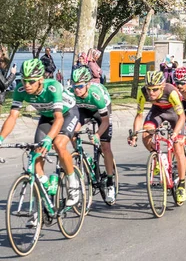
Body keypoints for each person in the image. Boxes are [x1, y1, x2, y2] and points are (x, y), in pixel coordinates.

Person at [0, 59, 82, 208]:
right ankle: (43, 196)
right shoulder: (20, 90)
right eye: (23, 80)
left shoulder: (53, 87)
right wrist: (0, 138)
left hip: (67, 113)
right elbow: (12, 116)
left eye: (31, 81)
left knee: (58, 144)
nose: (27, 85)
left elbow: (59, 118)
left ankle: (73, 184)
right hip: (46, 116)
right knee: (36, 155)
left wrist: (49, 139)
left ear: (41, 80)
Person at [129, 71, 186, 204]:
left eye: (155, 89)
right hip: (157, 112)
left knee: (178, 148)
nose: (151, 93)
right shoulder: (142, 92)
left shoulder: (171, 91)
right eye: (149, 89)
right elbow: (139, 115)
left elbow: (182, 117)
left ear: (162, 86)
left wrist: (175, 133)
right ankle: (158, 157)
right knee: (146, 133)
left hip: (174, 114)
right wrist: (134, 133)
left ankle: (182, 185)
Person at [70, 67, 116, 203]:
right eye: (74, 86)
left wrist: (97, 134)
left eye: (80, 86)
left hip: (100, 111)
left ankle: (110, 182)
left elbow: (105, 121)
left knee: (105, 145)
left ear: (88, 85)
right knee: (71, 132)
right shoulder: (72, 93)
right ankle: (84, 156)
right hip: (84, 109)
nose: (76, 89)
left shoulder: (96, 94)